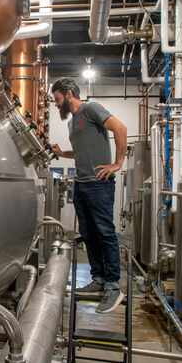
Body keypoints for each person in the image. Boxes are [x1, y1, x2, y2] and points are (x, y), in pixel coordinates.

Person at [50, 78, 128, 313]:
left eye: (57, 99)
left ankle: (113, 286)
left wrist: (117, 163)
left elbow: (120, 128)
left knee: (104, 232)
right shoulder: (72, 123)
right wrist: (62, 153)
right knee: (88, 234)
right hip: (82, 185)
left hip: (98, 183)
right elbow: (82, 151)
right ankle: (99, 279)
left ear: (69, 93)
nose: (55, 104)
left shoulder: (90, 108)